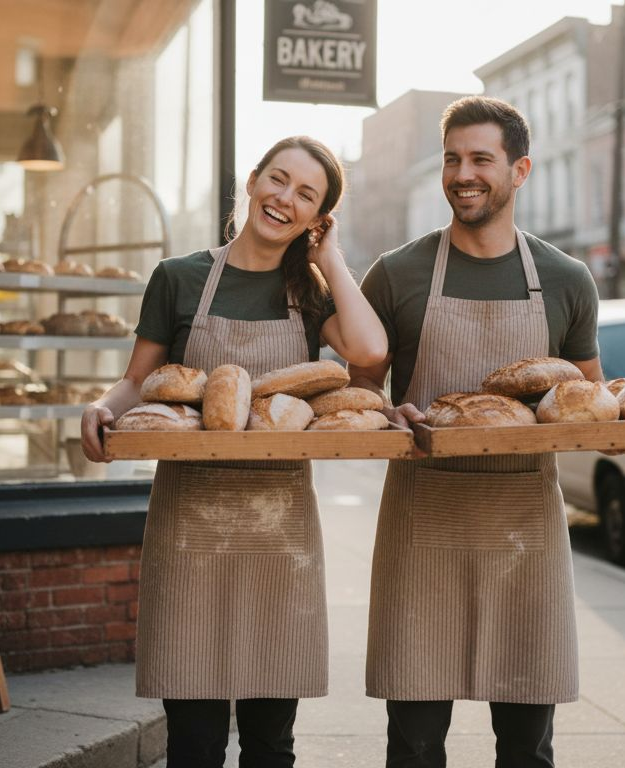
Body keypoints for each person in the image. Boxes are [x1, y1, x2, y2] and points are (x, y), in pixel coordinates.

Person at [81, 136, 387, 767]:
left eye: (307, 195)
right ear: (251, 182)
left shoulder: (309, 294)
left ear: (316, 217)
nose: (284, 199)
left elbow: (369, 352)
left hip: (281, 537)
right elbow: (140, 379)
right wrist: (103, 408)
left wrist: (329, 257)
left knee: (271, 744)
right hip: (189, 530)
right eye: (278, 180)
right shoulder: (180, 277)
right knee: (193, 745)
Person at [349, 96, 608, 767]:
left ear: (519, 170)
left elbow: (587, 404)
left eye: (481, 159)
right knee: (413, 743)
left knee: (526, 747)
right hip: (422, 524)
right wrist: (387, 413)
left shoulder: (564, 279)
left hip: (525, 532)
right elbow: (356, 396)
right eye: (452, 159)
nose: (463, 173)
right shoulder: (398, 273)